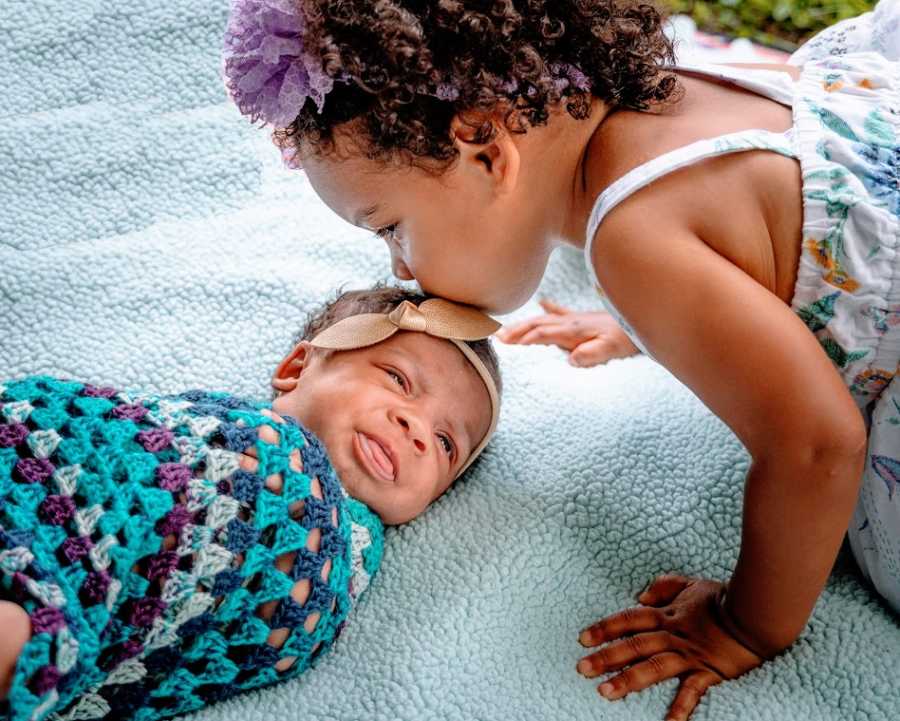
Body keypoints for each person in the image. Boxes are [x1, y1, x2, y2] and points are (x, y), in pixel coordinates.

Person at [224, 1, 900, 718]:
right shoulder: (674, 82)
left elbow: (819, 445)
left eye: (392, 227)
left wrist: (744, 625)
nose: (401, 265)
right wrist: (660, 320)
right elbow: (771, 218)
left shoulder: (632, 242)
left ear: (487, 151)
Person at [0, 285, 502, 721]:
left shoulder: (343, 560)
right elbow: (115, 449)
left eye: (445, 443)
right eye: (398, 379)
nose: (416, 428)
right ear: (297, 368)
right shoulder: (236, 436)